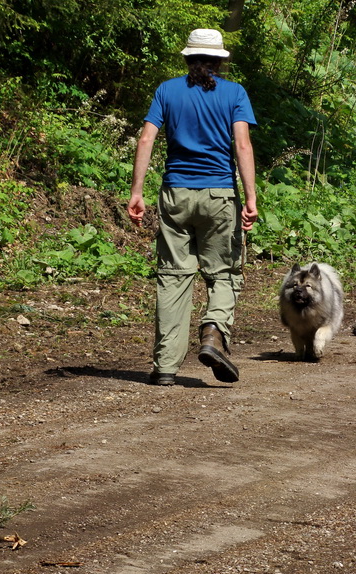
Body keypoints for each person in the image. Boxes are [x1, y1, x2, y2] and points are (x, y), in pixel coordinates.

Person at [127, 28, 258, 386]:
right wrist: (250, 197)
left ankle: (166, 367)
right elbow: (242, 146)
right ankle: (214, 331)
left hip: (175, 195)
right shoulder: (234, 93)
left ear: (188, 57)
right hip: (219, 196)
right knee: (225, 273)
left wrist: (136, 192)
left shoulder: (167, 90)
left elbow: (146, 138)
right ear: (220, 60)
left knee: (172, 277)